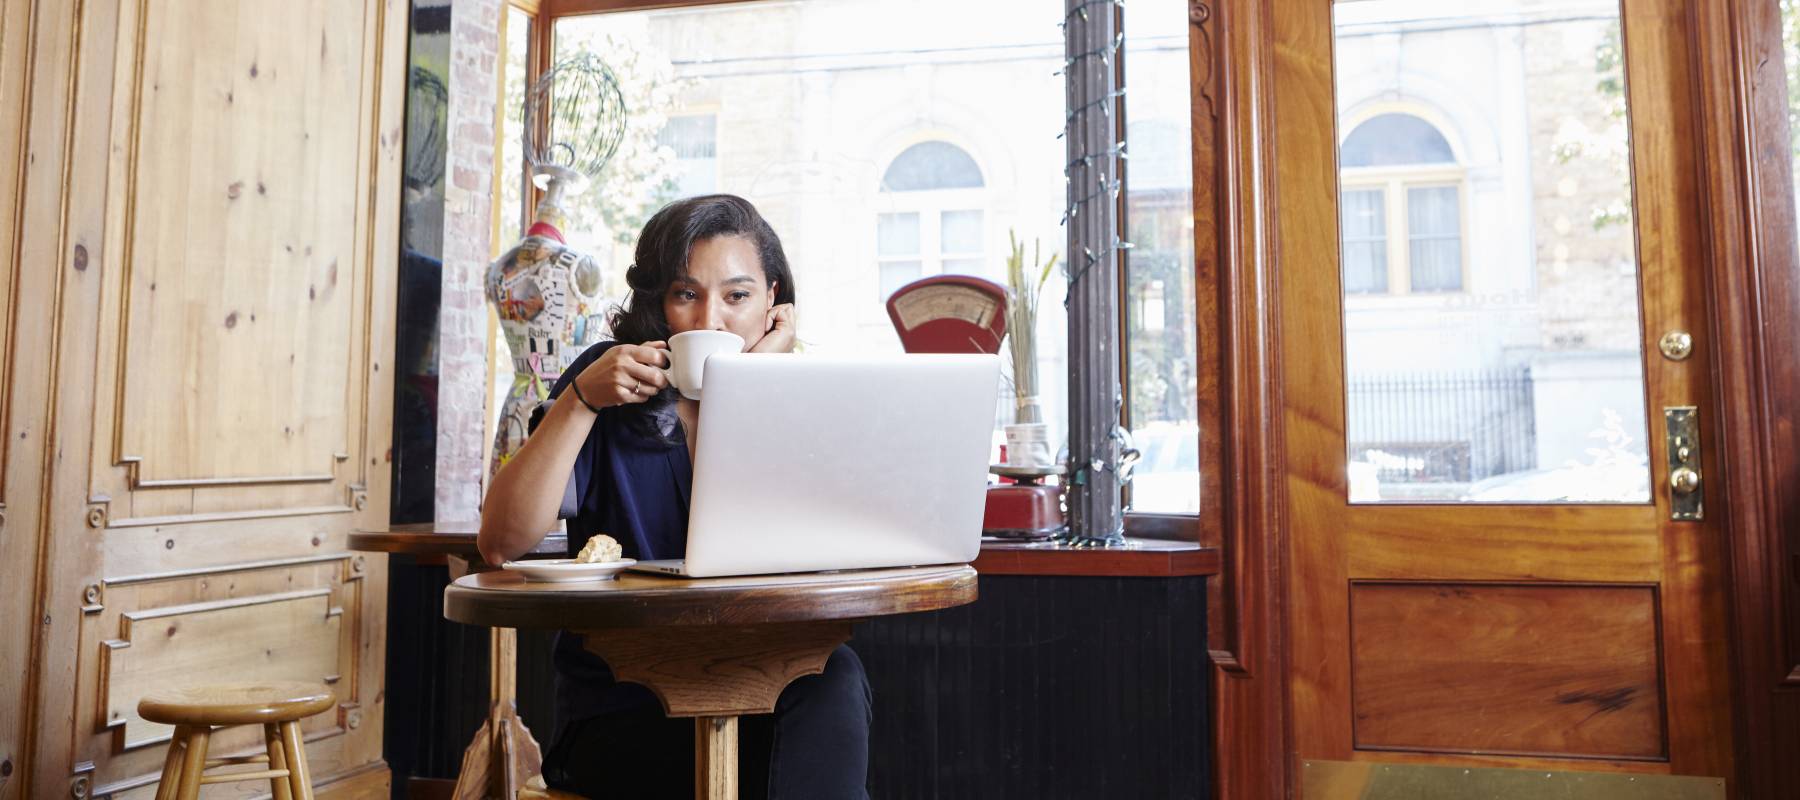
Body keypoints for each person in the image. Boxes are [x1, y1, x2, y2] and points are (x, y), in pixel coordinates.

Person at [477, 194, 872, 800]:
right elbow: (501, 542)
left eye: (737, 296)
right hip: (627, 697)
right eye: (687, 293)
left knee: (835, 679)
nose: (711, 320)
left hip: (761, 681)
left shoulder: (797, 396)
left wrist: (753, 390)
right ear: (658, 301)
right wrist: (579, 402)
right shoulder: (604, 382)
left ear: (773, 302)